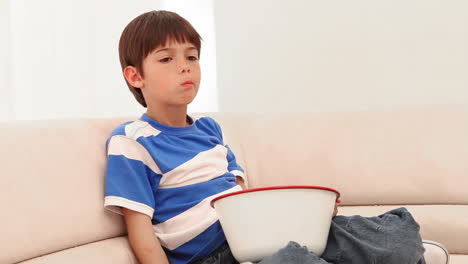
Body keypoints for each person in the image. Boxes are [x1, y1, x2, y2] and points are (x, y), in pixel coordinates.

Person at [104, 10, 428, 264]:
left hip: (257, 236)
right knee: (295, 260)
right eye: (166, 59)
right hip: (213, 256)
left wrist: (305, 215)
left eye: (191, 57)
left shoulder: (210, 130)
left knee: (394, 234)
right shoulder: (132, 141)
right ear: (135, 76)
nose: (185, 67)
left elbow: (242, 198)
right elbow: (141, 233)